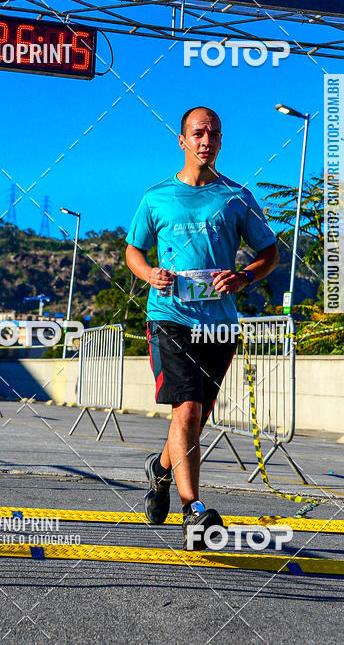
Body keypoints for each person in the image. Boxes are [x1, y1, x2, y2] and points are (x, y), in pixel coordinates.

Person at [125, 106, 279, 549]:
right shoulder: (156, 197)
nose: (205, 140)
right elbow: (133, 251)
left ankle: (159, 472)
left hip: (220, 327)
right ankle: (195, 511)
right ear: (182, 140)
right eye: (198, 133)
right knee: (187, 410)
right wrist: (148, 273)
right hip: (169, 318)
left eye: (213, 133)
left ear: (221, 141)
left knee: (194, 419)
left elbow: (269, 252)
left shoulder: (236, 197)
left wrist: (245, 276)